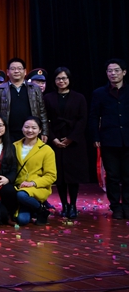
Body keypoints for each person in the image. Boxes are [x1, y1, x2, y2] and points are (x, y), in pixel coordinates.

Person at [43, 67, 87, 218]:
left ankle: (73, 205)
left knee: (72, 175)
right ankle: (64, 205)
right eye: (58, 78)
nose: (61, 81)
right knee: (59, 175)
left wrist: (71, 138)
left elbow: (83, 119)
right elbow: (45, 119)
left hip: (74, 140)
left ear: (69, 79)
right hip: (55, 138)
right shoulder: (48, 97)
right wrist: (53, 138)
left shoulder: (79, 97)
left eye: (64, 78)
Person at [89, 58, 129, 219]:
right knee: (112, 176)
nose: (113, 73)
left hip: (127, 139)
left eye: (116, 70)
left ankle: (127, 205)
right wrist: (95, 136)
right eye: (110, 71)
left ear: (124, 72)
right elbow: (93, 117)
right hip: (108, 140)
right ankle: (116, 207)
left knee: (127, 175)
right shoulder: (99, 93)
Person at [13, 117, 57, 226]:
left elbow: (51, 176)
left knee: (22, 195)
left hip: (37, 187)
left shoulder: (46, 150)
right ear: (22, 128)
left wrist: (32, 183)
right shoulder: (14, 146)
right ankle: (32, 208)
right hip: (18, 186)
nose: (30, 130)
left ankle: (42, 209)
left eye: (34, 128)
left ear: (40, 130)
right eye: (26, 127)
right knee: (22, 220)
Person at [0, 58, 48, 142]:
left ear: (25, 71)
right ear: (8, 72)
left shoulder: (35, 89)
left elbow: (42, 112)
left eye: (19, 68)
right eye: (13, 69)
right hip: (8, 133)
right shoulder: (0, 90)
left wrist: (44, 131)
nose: (16, 71)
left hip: (31, 132)